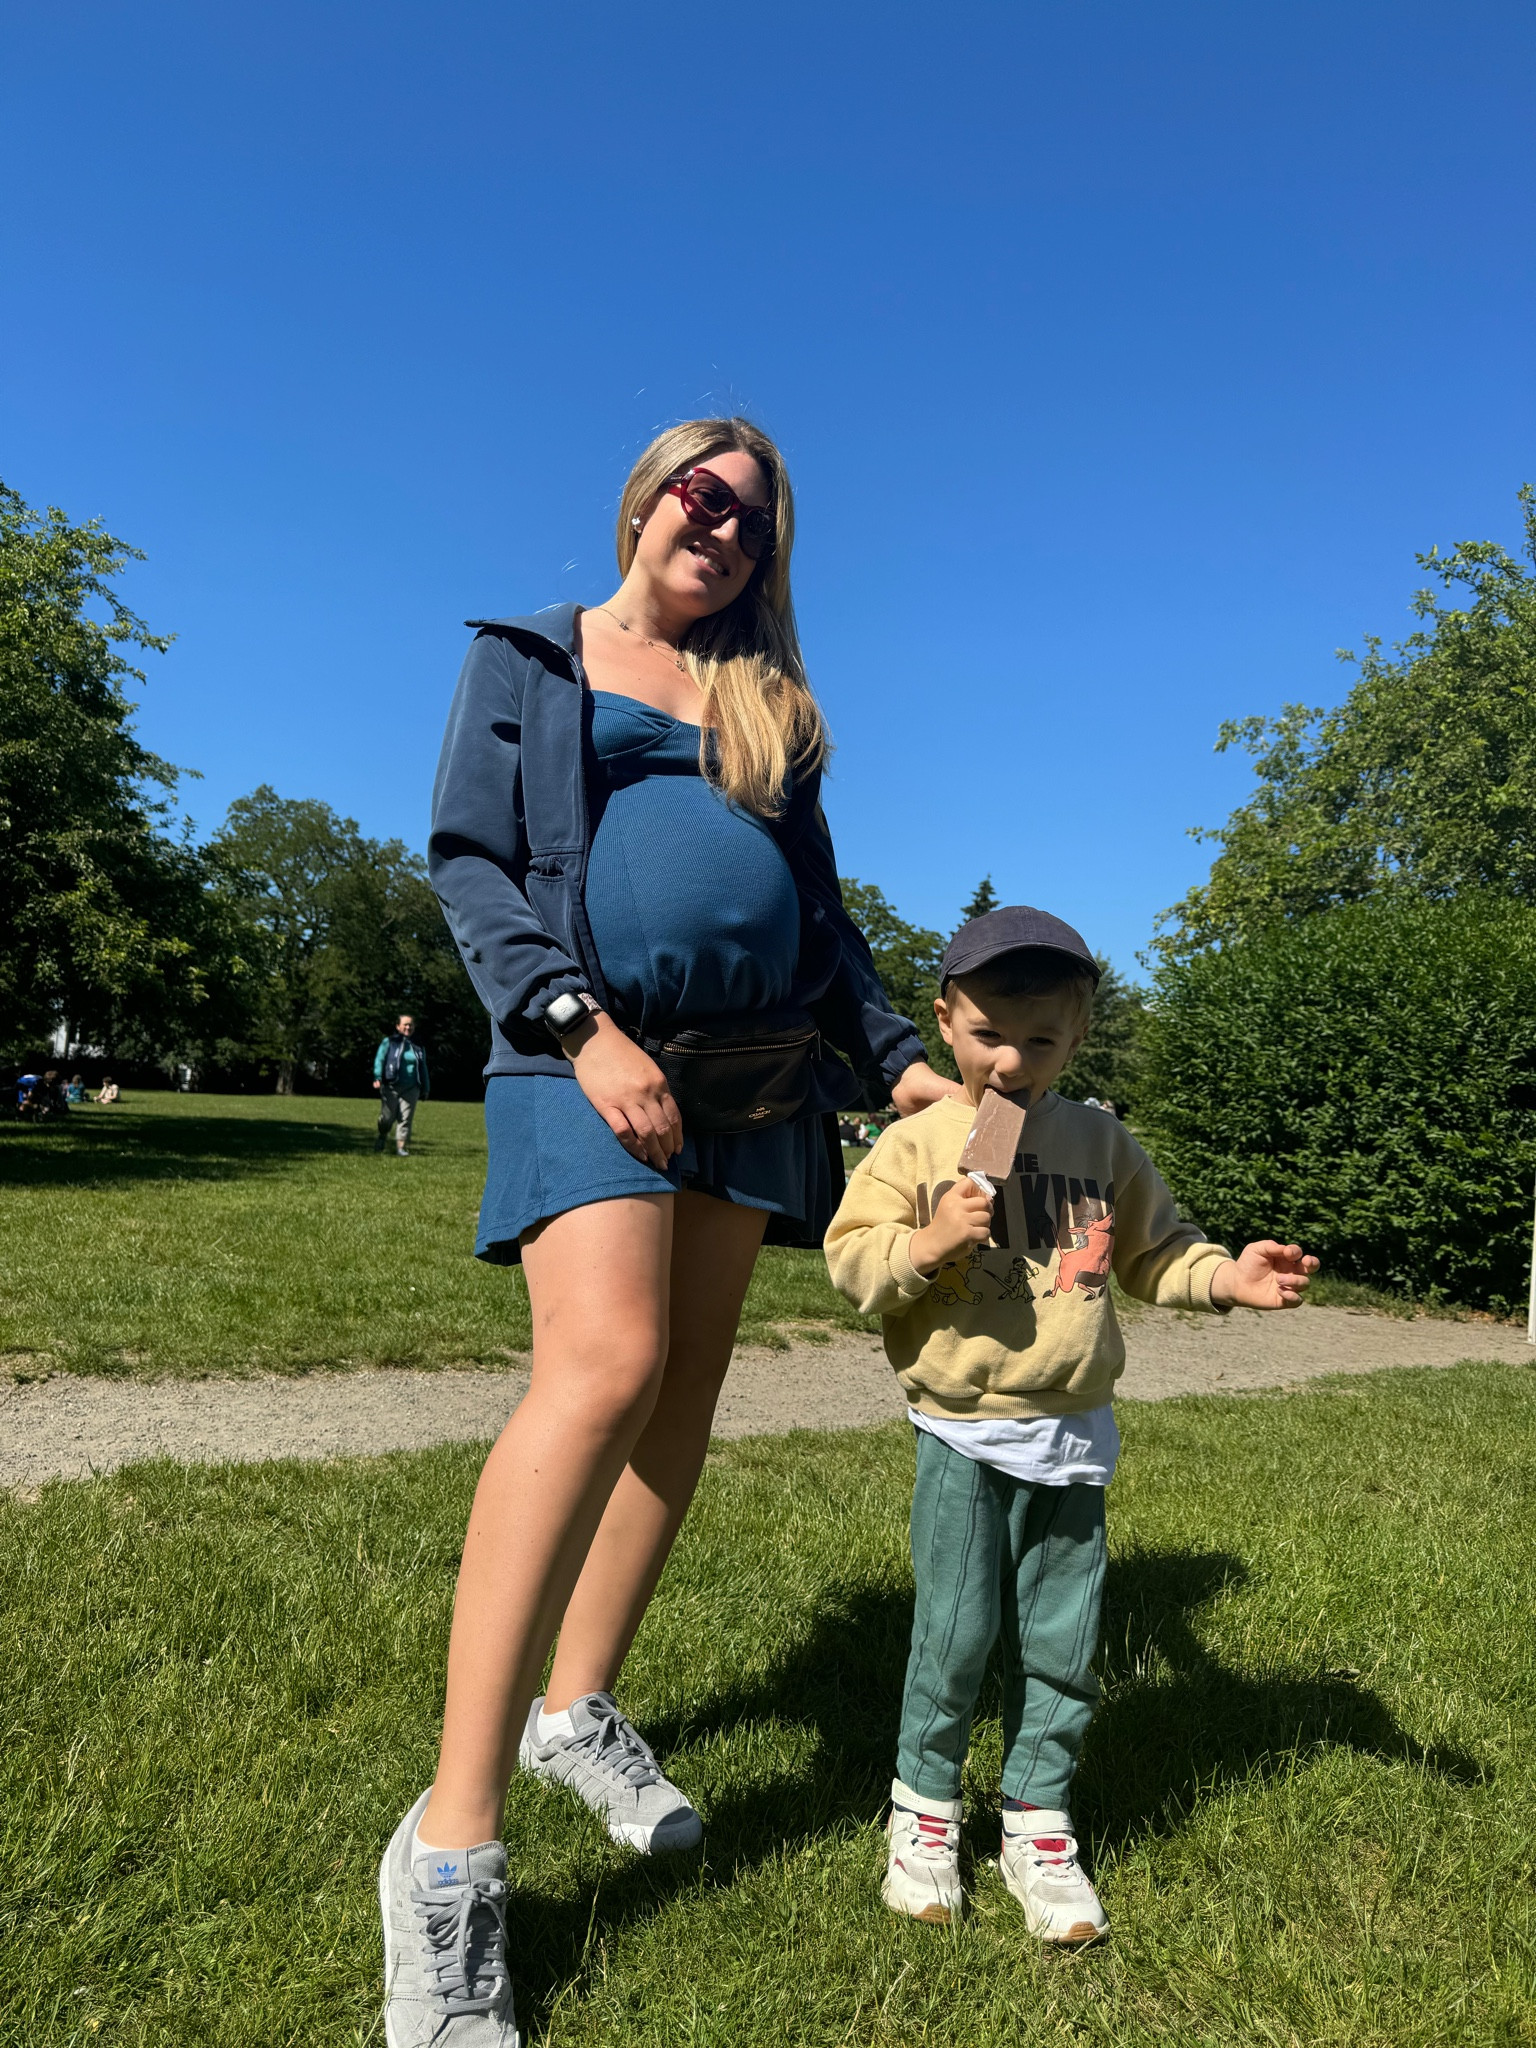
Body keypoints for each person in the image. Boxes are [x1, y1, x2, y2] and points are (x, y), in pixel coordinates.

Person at [378, 417, 958, 2046]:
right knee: (606, 1366)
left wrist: (896, 1061)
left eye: (753, 520)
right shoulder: (531, 658)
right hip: (590, 1052)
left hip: (754, 1077)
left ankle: (578, 1710)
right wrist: (579, 1025)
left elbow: (822, 918)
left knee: (685, 1391)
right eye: (701, 496)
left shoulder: (773, 707)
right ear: (643, 499)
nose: (721, 528)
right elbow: (473, 860)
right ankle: (451, 1844)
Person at [824, 905, 1318, 1946]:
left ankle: (1037, 1819)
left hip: (1075, 1431)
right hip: (963, 1427)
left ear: (1078, 1036)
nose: (1012, 1060)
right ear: (944, 1021)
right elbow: (852, 1264)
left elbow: (1155, 1251)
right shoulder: (914, 1144)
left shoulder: (1100, 1142)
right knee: (956, 1633)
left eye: (1041, 1039)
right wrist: (925, 1243)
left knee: (1063, 1640)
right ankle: (924, 1808)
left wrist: (1228, 1278)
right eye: (989, 1034)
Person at [373, 1015, 430, 1155]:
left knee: (405, 1118)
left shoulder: (418, 1046)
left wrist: (426, 1087)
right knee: (387, 1118)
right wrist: (377, 1076)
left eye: (410, 1025)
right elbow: (380, 1059)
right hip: (390, 1085)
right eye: (405, 1024)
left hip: (411, 1087)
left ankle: (400, 1148)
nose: (408, 1027)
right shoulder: (389, 1042)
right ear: (398, 1026)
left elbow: (423, 1067)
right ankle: (382, 1135)